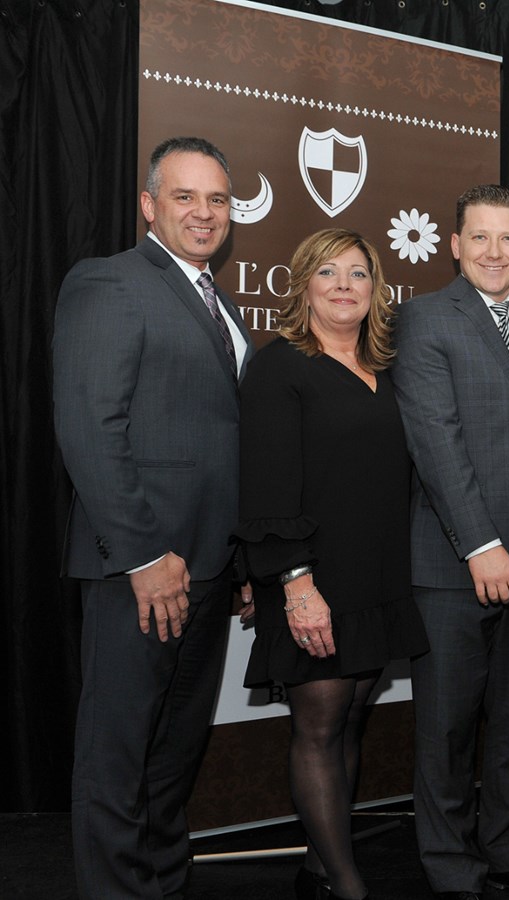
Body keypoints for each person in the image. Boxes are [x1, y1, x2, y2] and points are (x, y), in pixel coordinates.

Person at [52, 135, 252, 900]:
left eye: (218, 199)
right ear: (148, 205)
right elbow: (89, 428)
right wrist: (142, 555)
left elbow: (223, 440)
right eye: (184, 196)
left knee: (173, 754)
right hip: (140, 570)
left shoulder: (217, 300)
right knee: (118, 754)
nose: (204, 213)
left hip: (209, 566)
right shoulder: (110, 281)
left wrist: (240, 560)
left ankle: (162, 884)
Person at [236, 228, 429, 900]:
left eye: (357, 273)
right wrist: (296, 585)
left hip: (375, 574)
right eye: (327, 272)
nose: (344, 285)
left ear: (376, 288)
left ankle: (319, 871)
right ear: (303, 285)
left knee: (350, 719)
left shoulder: (389, 368)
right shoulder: (279, 367)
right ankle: (348, 886)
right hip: (313, 578)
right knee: (318, 727)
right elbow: (266, 486)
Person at [391, 186, 509, 900]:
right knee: (447, 729)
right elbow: (436, 443)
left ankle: (508, 850)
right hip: (453, 562)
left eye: (508, 239)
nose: (495, 252)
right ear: (454, 245)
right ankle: (450, 867)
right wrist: (480, 544)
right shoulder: (423, 319)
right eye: (480, 238)